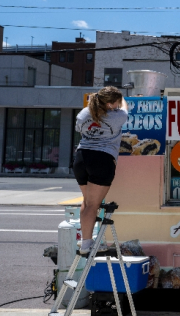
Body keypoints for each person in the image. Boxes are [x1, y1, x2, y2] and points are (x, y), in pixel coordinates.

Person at [73, 86, 128, 254]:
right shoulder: (117, 115)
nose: (119, 105)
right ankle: (87, 245)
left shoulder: (84, 113)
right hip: (101, 159)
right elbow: (125, 109)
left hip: (81, 158)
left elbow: (79, 128)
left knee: (88, 202)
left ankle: (86, 241)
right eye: (116, 103)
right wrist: (123, 99)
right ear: (111, 104)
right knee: (93, 204)